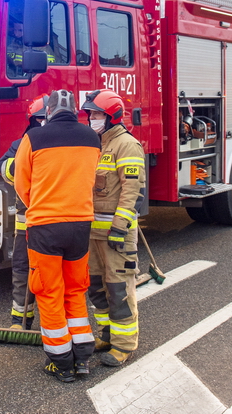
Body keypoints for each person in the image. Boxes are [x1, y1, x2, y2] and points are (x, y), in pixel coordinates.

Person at [14, 89, 102, 382]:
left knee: (49, 291)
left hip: (45, 226)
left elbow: (22, 183)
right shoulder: (92, 138)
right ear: (76, 110)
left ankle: (61, 361)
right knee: (75, 289)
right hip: (80, 224)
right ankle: (82, 357)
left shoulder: (34, 138)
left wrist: (38, 204)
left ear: (48, 112)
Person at [82, 89, 146, 367]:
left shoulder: (126, 145)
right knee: (96, 288)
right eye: (91, 115)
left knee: (119, 289)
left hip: (115, 236)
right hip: (93, 235)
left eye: (96, 114)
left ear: (111, 116)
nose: (91, 119)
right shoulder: (97, 144)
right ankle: (106, 334)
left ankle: (123, 345)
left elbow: (132, 191)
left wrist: (120, 228)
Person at [0, 95, 48, 330]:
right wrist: (24, 164)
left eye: (47, 118)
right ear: (32, 120)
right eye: (39, 119)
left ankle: (52, 323)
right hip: (25, 221)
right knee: (21, 269)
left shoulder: (62, 147)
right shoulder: (20, 145)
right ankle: (20, 320)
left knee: (50, 273)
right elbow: (5, 170)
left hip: (51, 221)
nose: (43, 123)